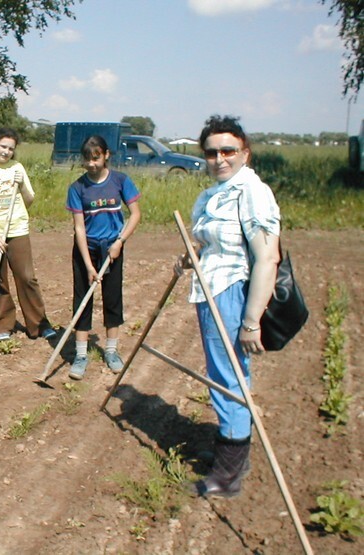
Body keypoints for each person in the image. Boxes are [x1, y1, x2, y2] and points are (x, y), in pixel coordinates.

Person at [176, 115, 280, 498]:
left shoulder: (251, 192)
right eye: (211, 152)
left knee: (228, 379)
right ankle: (233, 452)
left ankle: (227, 476)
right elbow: (210, 243)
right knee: (226, 373)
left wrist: (251, 320)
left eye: (228, 150)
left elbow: (267, 258)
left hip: (232, 293)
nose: (219, 158)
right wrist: (191, 256)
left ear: (245, 153)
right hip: (210, 289)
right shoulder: (216, 193)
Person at [0, 128, 55, 342]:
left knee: (26, 276)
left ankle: (39, 324)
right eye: (3, 147)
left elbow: (28, 201)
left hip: (16, 228)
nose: (6, 152)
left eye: (11, 149)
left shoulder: (17, 168)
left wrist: (23, 184)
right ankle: (2, 325)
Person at [65, 135, 141, 380]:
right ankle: (81, 355)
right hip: (86, 249)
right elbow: (79, 228)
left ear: (106, 155)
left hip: (113, 248)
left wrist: (119, 242)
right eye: (87, 159)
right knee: (83, 300)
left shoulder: (120, 180)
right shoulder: (77, 188)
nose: (91, 164)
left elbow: (136, 214)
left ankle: (111, 351)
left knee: (112, 298)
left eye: (95, 158)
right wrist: (88, 265)